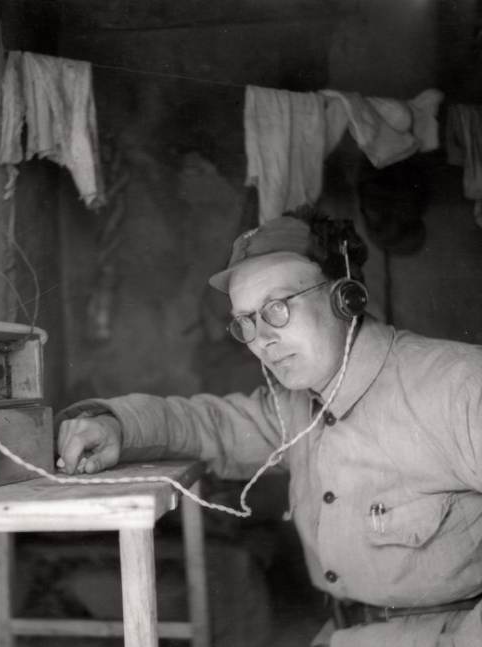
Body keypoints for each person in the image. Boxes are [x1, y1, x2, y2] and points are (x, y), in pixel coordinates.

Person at [56, 209, 482, 647]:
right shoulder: (299, 405)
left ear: (345, 295)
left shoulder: (461, 387)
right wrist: (118, 425)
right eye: (246, 320)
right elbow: (211, 425)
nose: (261, 339)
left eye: (277, 308)